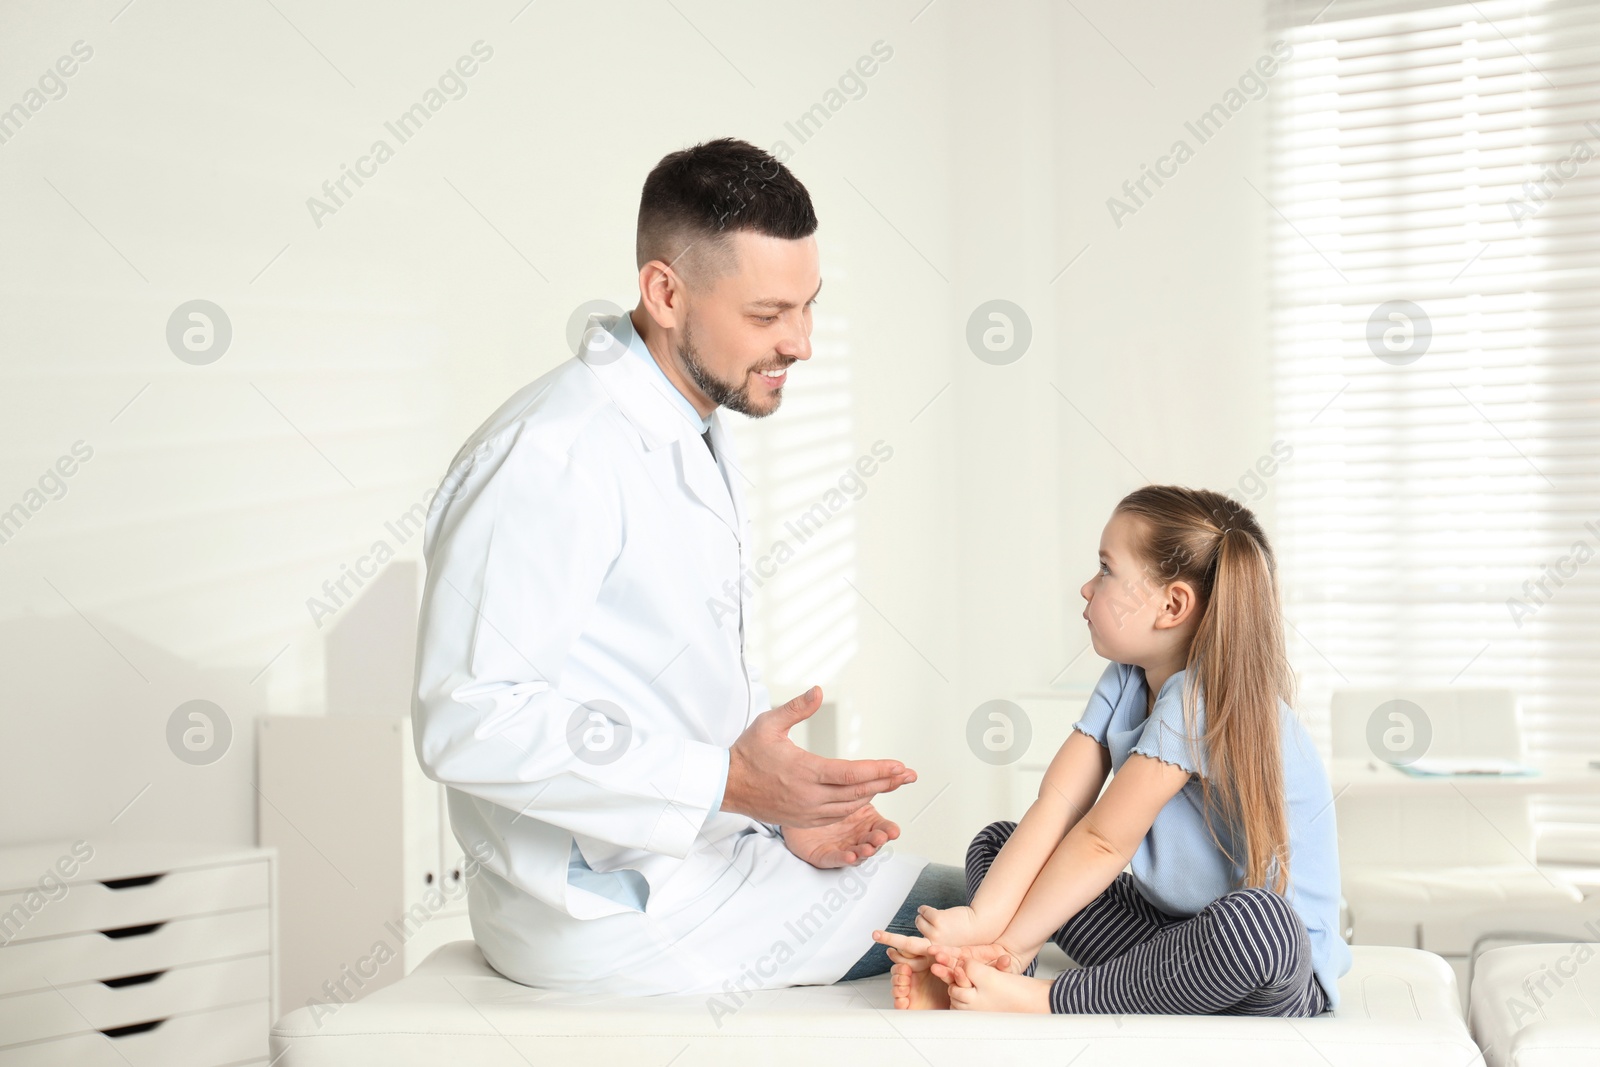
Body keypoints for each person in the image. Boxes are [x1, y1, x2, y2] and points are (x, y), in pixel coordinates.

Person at [411, 136, 966, 997]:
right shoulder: (551, 455)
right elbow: (468, 719)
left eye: (809, 306)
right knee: (1003, 920)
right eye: (768, 314)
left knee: (1025, 900)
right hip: (613, 914)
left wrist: (777, 822)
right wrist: (730, 784)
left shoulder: (690, 420)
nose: (804, 343)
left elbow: (652, 680)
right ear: (665, 293)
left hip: (709, 865)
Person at [875, 485, 1352, 1015]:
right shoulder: (1127, 677)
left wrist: (1006, 937)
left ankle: (1043, 998)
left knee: (1261, 924)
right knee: (999, 844)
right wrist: (989, 929)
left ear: (1172, 605)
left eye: (1106, 570)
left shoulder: (1204, 697)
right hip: (1168, 947)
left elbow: (1105, 841)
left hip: (1260, 970)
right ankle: (985, 976)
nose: (1086, 587)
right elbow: (1058, 805)